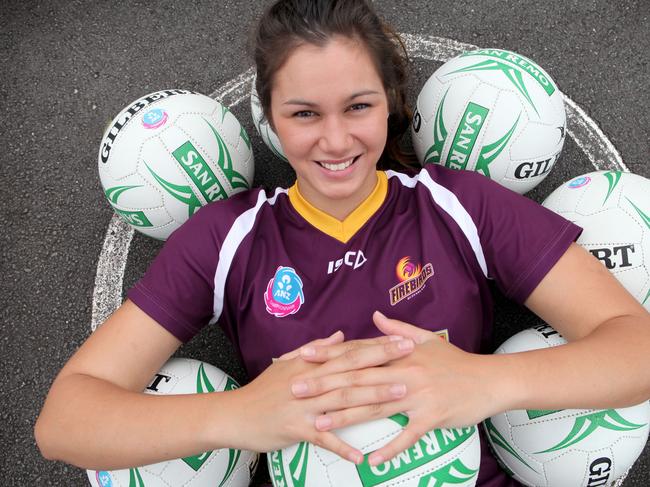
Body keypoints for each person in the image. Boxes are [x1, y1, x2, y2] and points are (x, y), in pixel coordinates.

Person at [35, 0, 650, 486]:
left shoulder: (460, 206)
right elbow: (64, 421)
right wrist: (237, 415)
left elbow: (635, 346)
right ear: (271, 119)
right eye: (304, 113)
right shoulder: (226, 240)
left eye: (357, 106)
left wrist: (487, 382)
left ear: (390, 105)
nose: (334, 140)